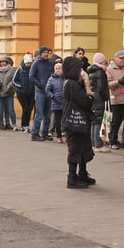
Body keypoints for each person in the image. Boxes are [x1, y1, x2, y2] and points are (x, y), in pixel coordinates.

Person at [62, 56, 95, 189]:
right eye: (79, 69)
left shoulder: (72, 83)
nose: (82, 72)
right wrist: (88, 87)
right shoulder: (72, 84)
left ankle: (82, 174)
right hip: (75, 123)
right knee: (75, 148)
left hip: (79, 122)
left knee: (83, 148)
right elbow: (85, 102)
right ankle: (72, 177)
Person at [106, 50, 124, 149]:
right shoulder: (109, 69)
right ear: (115, 59)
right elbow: (108, 84)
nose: (122, 60)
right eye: (120, 58)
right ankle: (113, 140)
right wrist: (119, 82)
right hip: (115, 99)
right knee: (116, 121)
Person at [29, 46, 54, 141]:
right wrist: (40, 85)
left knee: (47, 115)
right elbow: (31, 77)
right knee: (39, 114)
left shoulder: (49, 63)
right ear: (40, 53)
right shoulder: (36, 63)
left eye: (47, 52)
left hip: (48, 92)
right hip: (40, 92)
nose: (46, 54)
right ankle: (35, 133)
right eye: (44, 52)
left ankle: (45, 133)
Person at [88, 52, 110, 151]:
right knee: (98, 120)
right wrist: (106, 97)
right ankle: (98, 144)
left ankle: (93, 142)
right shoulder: (100, 72)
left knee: (94, 120)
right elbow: (102, 87)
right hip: (99, 98)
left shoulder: (91, 71)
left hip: (93, 96)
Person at [0, 55, 16, 130]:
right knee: (0, 109)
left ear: (7, 62)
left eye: (4, 62)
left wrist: (10, 86)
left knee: (10, 109)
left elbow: (14, 80)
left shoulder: (12, 70)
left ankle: (14, 124)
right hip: (0, 93)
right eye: (1, 62)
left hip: (9, 93)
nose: (3, 63)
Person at [13, 54, 35, 132]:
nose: (29, 65)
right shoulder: (20, 69)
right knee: (25, 108)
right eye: (27, 63)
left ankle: (26, 125)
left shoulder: (33, 69)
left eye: (30, 63)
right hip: (21, 92)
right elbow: (14, 80)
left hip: (31, 92)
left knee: (29, 108)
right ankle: (24, 125)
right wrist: (20, 86)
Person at [45, 59, 65, 143]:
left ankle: (66, 133)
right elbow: (47, 90)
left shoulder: (66, 78)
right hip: (56, 102)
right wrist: (53, 96)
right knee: (57, 120)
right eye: (56, 68)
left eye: (59, 68)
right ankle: (59, 136)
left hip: (65, 102)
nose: (57, 70)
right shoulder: (51, 79)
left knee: (66, 119)